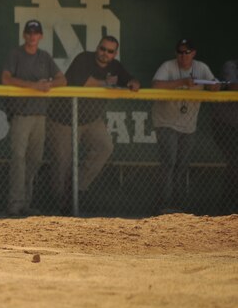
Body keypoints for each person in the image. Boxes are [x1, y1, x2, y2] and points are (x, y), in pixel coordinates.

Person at [48, 36, 140, 213]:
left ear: (115, 54)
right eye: (102, 49)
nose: (105, 53)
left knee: (104, 146)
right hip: (63, 119)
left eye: (110, 51)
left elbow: (130, 80)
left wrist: (132, 83)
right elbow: (82, 82)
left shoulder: (115, 66)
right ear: (97, 47)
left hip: (91, 120)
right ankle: (59, 207)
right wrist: (106, 83)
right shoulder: (84, 58)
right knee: (62, 164)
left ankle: (76, 190)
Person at [0, 20, 66, 216]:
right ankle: (15, 204)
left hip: (40, 116)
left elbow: (63, 80)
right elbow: (5, 78)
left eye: (36, 33)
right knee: (18, 159)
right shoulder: (16, 54)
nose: (32, 36)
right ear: (24, 35)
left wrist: (49, 84)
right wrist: (33, 86)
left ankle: (25, 204)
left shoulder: (44, 56)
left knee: (34, 160)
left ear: (41, 36)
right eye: (29, 32)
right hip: (21, 115)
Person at [151, 39, 220, 213]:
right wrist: (182, 82)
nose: (183, 55)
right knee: (169, 162)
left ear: (193, 53)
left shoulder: (201, 67)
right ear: (176, 54)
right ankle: (164, 205)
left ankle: (179, 205)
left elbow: (215, 86)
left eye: (187, 52)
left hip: (188, 124)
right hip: (166, 121)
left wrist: (212, 85)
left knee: (182, 165)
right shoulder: (168, 66)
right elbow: (156, 85)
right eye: (180, 52)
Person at [212, 59, 238, 214]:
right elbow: (234, 87)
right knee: (234, 163)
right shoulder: (231, 65)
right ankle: (225, 207)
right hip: (224, 125)